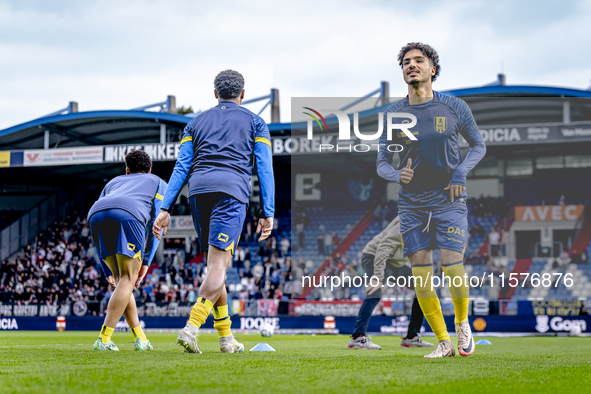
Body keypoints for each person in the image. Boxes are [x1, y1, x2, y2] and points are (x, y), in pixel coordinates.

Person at [153, 70, 275, 354]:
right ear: (242, 94)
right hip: (231, 192)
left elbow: (181, 166)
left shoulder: (195, 123)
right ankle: (192, 327)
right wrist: (266, 211)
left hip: (198, 192)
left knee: (214, 266)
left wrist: (165, 207)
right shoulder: (256, 122)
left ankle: (226, 337)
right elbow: (264, 167)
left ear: (215, 93)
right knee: (219, 266)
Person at [377, 43, 486, 358]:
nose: (412, 65)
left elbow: (478, 146)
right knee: (421, 275)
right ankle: (443, 342)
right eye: (406, 62)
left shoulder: (454, 106)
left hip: (449, 199)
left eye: (418, 61)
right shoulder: (395, 113)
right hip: (412, 205)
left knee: (452, 267)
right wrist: (398, 175)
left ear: (432, 69)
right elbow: (382, 162)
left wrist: (461, 172)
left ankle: (462, 323)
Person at [88, 150, 167, 351]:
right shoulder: (157, 182)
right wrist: (146, 262)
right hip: (128, 214)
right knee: (127, 280)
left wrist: (106, 271)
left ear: (127, 170)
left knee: (123, 281)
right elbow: (157, 224)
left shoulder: (112, 182)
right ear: (149, 170)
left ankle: (140, 339)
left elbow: (97, 235)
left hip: (95, 213)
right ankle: (103, 340)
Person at [347, 216, 434, 350]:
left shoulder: (427, 226)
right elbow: (384, 246)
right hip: (374, 255)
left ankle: (411, 337)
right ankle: (357, 338)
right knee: (374, 292)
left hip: (395, 264)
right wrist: (377, 278)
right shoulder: (410, 218)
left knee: (423, 287)